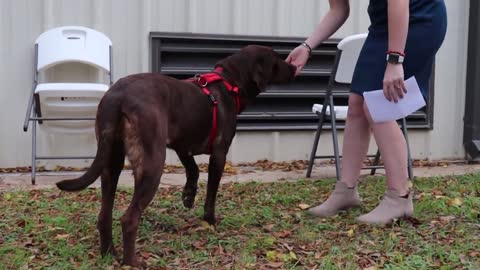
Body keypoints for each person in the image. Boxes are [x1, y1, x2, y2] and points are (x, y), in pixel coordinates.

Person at [286, 0, 447, 224]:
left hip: (419, 18)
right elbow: (338, 10)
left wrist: (395, 60)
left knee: (377, 105)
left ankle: (399, 197)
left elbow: (399, 3)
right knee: (356, 104)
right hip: (382, 23)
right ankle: (346, 190)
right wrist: (307, 46)